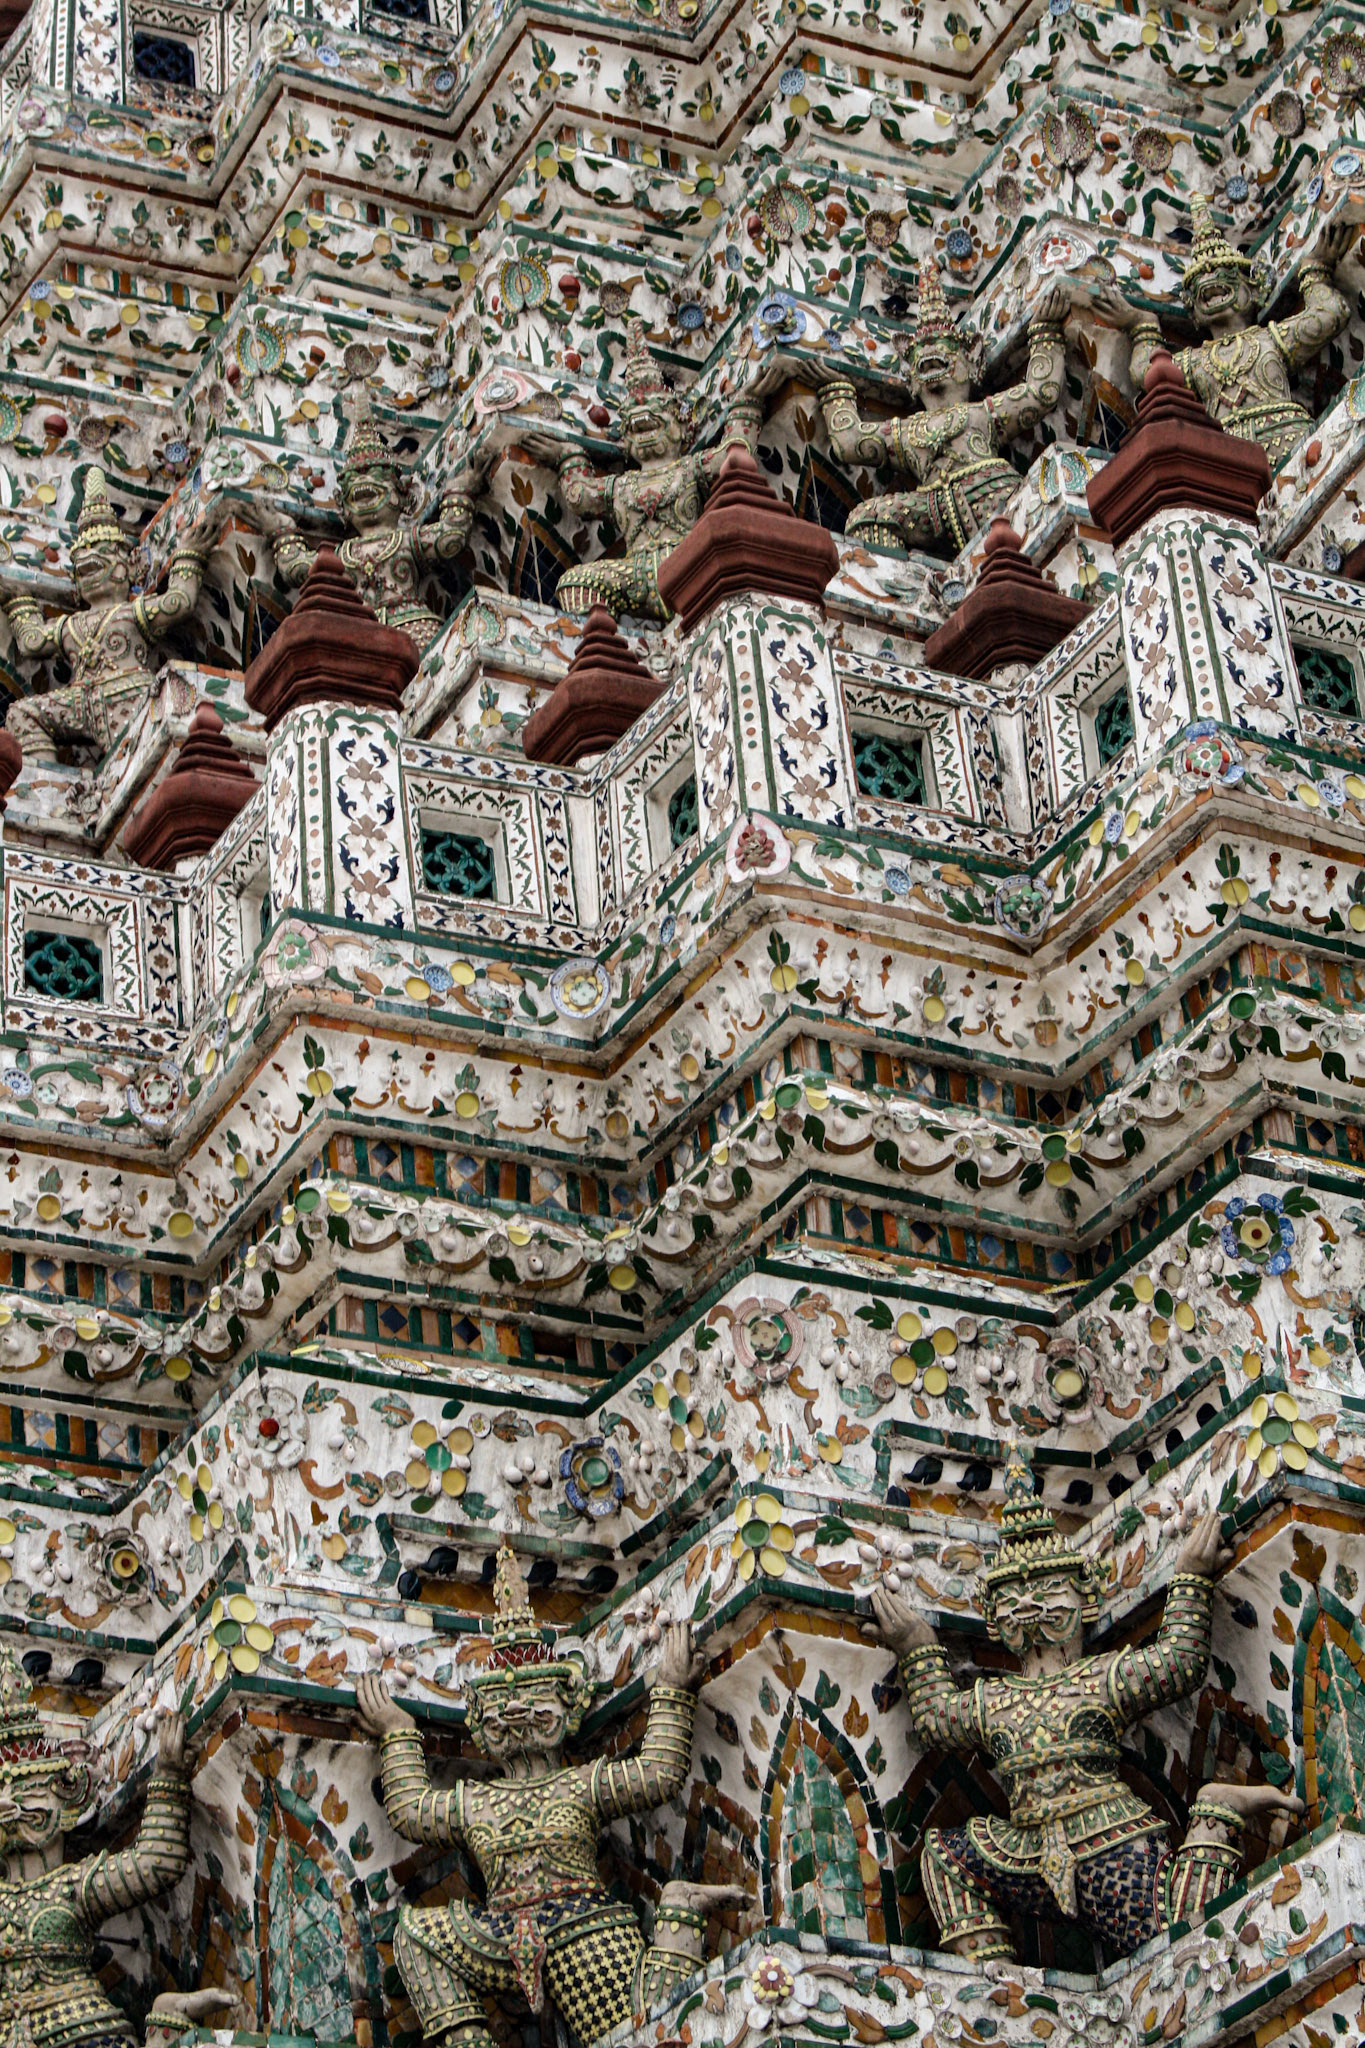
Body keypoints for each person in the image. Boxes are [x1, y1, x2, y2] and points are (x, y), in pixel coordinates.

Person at [869, 1449, 1302, 1963]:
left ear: (1085, 1601)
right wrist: (918, 1647)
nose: (1029, 1606)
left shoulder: (1103, 1677)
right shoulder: (991, 1701)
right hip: (1025, 1847)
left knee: (1171, 1940)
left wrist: (1190, 1578)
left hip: (1107, 1838)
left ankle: (1214, 1813)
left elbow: (1180, 1662)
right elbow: (938, 1719)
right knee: (944, 1857)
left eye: (1050, 1590)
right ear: (992, 1620)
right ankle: (997, 1985)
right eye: (1011, 1599)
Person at [357, 1545, 746, 2048]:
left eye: (533, 1704)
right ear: (480, 1726)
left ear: (567, 1712)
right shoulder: (475, 1801)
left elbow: (658, 1775)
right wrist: (397, 1733)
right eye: (502, 1707)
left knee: (633, 2034)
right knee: (417, 1935)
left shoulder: (581, 1783)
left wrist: (672, 1689)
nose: (517, 1712)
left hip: (583, 1927)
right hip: (502, 1930)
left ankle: (678, 1909)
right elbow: (411, 1812)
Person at [816, 265, 1068, 555]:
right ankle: (905, 585)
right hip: (933, 507)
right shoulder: (906, 431)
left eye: (943, 347)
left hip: (990, 489)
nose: (928, 353)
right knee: (866, 516)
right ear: (910, 379)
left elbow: (1040, 393)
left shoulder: (982, 413)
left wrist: (1045, 330)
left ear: (970, 359)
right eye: (918, 354)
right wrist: (834, 390)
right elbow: (850, 443)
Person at [1114, 199, 1353, 472]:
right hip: (1227, 459)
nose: (1209, 280)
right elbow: (1145, 373)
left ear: (1253, 291)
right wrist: (1142, 323)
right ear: (1194, 313)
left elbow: (1330, 315)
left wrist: (1314, 268)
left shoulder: (1270, 340)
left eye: (1225, 272)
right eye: (1197, 284)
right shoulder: (1196, 361)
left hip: (1290, 444)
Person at [4, 467, 208, 764]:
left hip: (130, 692)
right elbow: (31, 642)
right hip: (80, 701)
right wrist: (17, 597)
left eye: (101, 552)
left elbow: (180, 602)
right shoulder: (71, 625)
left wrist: (189, 554)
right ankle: (48, 787)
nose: (88, 564)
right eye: (81, 563)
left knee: (137, 759)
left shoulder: (133, 611)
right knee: (21, 713)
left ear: (126, 566)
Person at [274, 391, 476, 651]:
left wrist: (460, 490)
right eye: (352, 483)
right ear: (343, 508)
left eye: (377, 475)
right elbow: (297, 567)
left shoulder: (406, 540)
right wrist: (281, 530)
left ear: (403, 496)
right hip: (359, 638)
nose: (363, 482)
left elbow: (451, 537)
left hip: (413, 627)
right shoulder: (340, 555)